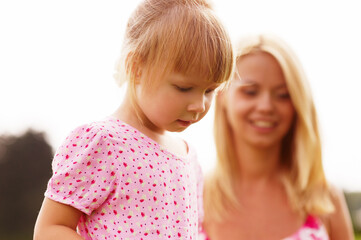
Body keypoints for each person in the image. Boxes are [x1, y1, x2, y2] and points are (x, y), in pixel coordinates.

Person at [33, 0, 234, 239]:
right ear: (137, 67)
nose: (200, 105)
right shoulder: (103, 142)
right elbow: (50, 229)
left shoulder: (188, 157)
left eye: (210, 90)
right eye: (183, 87)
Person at [200, 34, 354, 240]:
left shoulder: (324, 198)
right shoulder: (191, 194)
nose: (266, 107)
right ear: (222, 96)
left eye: (283, 95)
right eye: (250, 92)